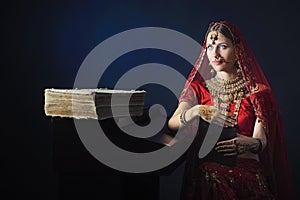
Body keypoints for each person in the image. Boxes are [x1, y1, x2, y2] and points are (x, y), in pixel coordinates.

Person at [168, 21, 294, 200]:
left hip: (247, 172)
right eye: (210, 47)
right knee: (209, 174)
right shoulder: (198, 90)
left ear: (238, 51)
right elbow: (172, 123)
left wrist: (250, 143)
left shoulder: (257, 93)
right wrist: (197, 110)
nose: (215, 54)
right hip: (210, 172)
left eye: (223, 47)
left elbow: (262, 140)